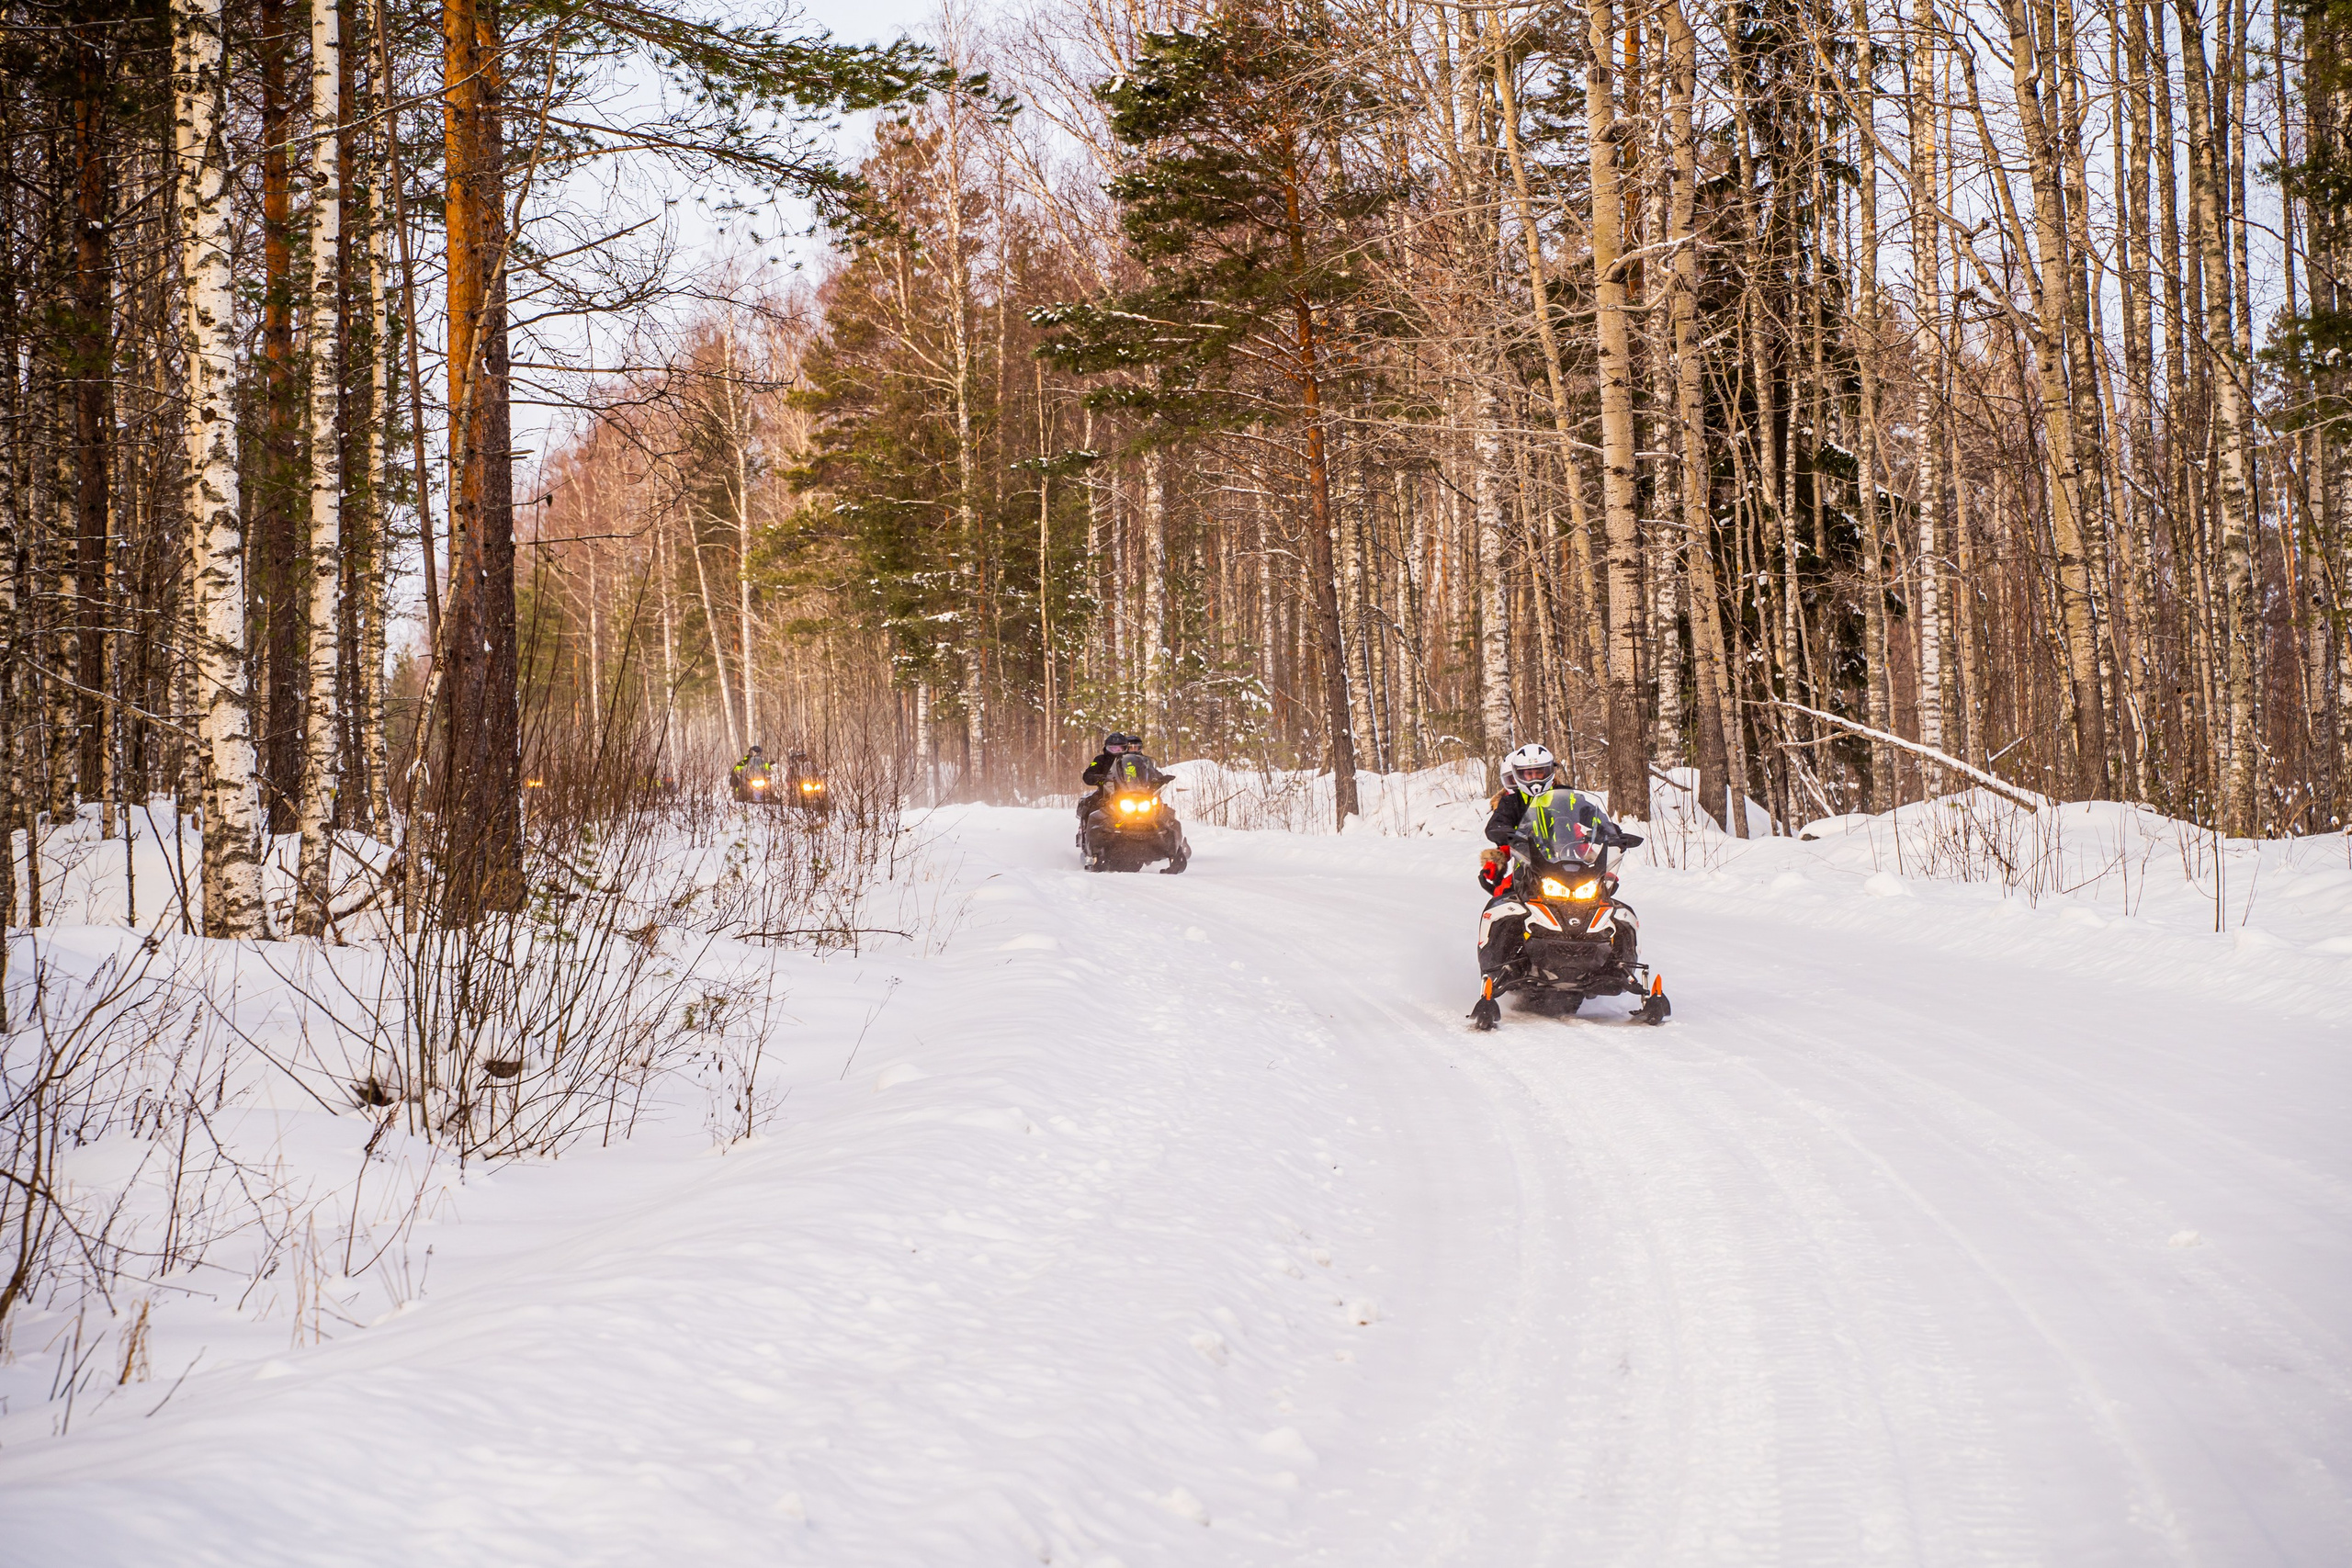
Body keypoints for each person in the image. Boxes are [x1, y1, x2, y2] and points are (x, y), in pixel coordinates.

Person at [1475, 742, 1627, 981]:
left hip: (1573, 867)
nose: (1534, 778)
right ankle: (1496, 968)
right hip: (1530, 870)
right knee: (1503, 908)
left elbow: (1593, 815)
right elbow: (1495, 826)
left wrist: (1612, 832)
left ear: (1550, 771)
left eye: (1539, 772)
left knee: (1616, 910)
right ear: (1518, 775)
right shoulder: (1512, 802)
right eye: (1528, 773)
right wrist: (1506, 834)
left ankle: (1621, 968)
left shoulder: (1571, 798)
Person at [1078, 732, 1166, 822]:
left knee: (1160, 809)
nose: (1117, 751)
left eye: (1121, 748)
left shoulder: (1133, 760)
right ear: (1106, 748)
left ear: (1126, 748)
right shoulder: (1100, 760)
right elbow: (1088, 774)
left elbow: (1149, 771)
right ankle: (1086, 831)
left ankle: (1165, 830)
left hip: (1133, 792)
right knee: (1093, 807)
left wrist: (1160, 778)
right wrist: (1098, 779)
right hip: (1107, 794)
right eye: (1113, 749)